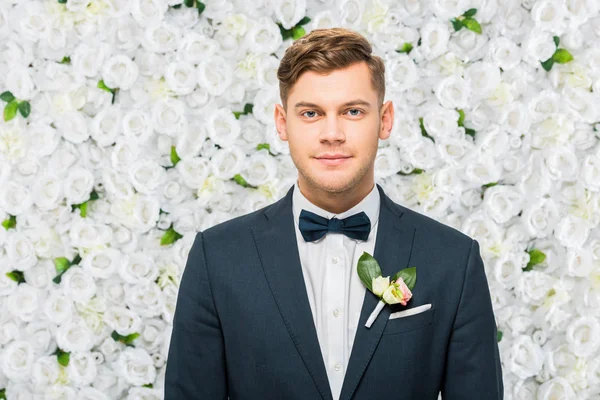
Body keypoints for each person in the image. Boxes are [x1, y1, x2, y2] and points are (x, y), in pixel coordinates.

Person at [164, 27, 503, 400]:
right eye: (311, 113)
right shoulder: (217, 258)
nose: (332, 133)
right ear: (282, 122)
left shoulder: (454, 259)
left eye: (352, 111)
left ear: (385, 119)